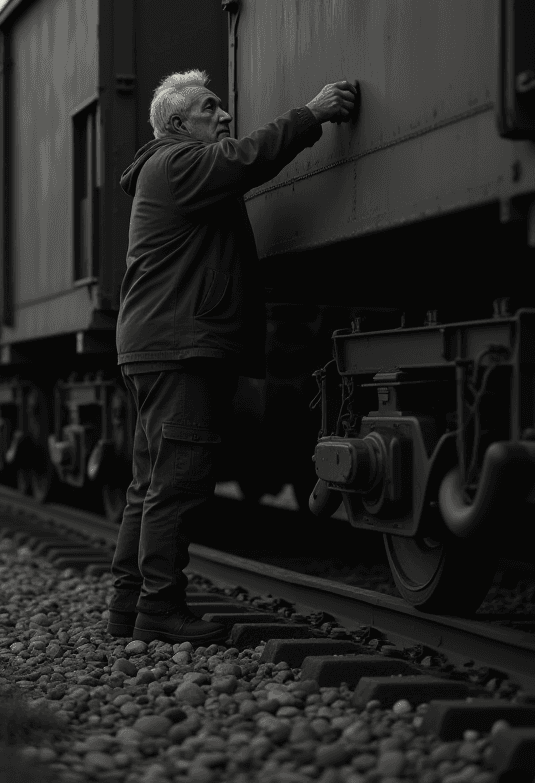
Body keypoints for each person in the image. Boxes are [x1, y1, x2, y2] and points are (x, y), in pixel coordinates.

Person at [108, 69, 359, 643]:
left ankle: (129, 609)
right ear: (177, 123)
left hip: (156, 346)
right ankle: (160, 611)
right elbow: (247, 158)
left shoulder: (170, 170)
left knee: (149, 484)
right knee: (178, 484)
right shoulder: (177, 163)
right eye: (209, 108)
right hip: (178, 348)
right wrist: (312, 113)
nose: (222, 116)